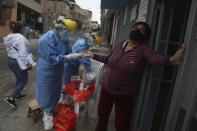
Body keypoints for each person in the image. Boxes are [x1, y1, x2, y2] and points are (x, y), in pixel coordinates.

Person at [83, 22, 186, 131]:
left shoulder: (143, 50)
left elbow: (156, 59)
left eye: (141, 30)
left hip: (125, 95)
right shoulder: (119, 45)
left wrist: (172, 59)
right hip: (107, 89)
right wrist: (93, 55)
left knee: (122, 125)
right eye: (135, 28)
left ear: (145, 36)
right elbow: (109, 60)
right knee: (102, 119)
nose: (136, 30)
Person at [35, 16, 81, 130]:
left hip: (58, 70)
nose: (69, 35)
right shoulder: (45, 39)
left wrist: (76, 54)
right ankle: (47, 114)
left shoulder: (62, 38)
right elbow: (52, 59)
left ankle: (52, 108)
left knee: (56, 90)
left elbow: (68, 50)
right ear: (60, 28)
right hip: (47, 69)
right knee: (47, 91)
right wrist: (68, 57)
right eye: (68, 32)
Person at [4, 21, 32, 109]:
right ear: (21, 29)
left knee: (19, 78)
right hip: (18, 62)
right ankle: (11, 98)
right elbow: (23, 54)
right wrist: (28, 64)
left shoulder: (9, 37)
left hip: (10, 61)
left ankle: (17, 94)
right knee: (23, 80)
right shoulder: (20, 38)